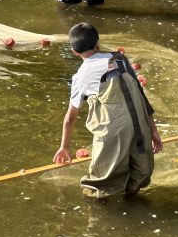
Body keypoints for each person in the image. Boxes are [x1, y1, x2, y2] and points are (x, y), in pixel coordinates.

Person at [54, 23, 163, 198]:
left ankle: (101, 218)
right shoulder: (120, 59)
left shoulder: (81, 76)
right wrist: (153, 130)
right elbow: (140, 95)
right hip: (139, 129)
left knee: (101, 183)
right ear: (98, 42)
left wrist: (64, 147)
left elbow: (70, 118)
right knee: (139, 174)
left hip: (112, 134)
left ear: (75, 52)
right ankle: (131, 207)